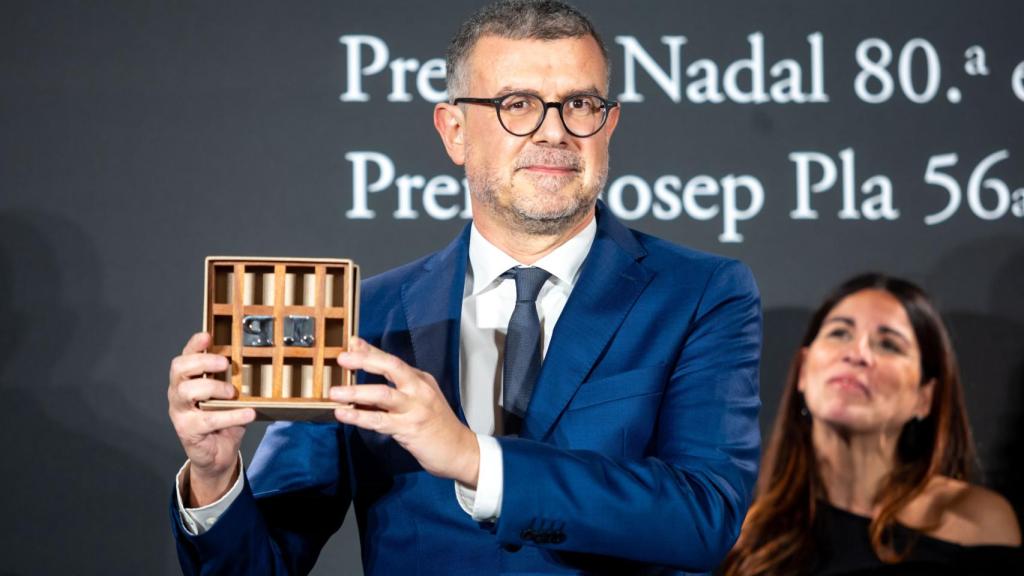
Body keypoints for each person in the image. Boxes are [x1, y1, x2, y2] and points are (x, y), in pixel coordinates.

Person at [168, 1, 762, 574]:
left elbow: (705, 517)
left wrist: (474, 459)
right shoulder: (365, 318)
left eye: (579, 104)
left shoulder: (701, 293)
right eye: (517, 104)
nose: (553, 132)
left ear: (608, 122)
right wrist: (216, 479)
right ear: (454, 129)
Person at [721, 273, 1022, 576]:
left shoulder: (973, 520)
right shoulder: (743, 537)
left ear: (924, 397)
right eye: (839, 333)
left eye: (888, 344)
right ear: (803, 370)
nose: (857, 354)